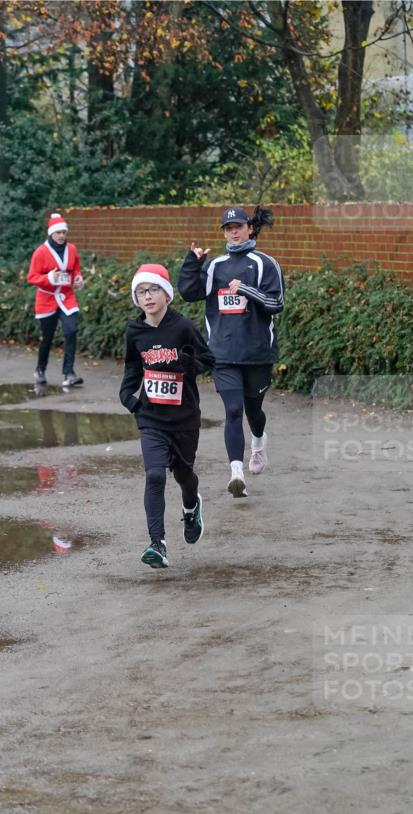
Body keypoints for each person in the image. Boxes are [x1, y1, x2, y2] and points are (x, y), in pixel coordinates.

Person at [178, 205, 284, 498]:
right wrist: (192, 262)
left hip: (257, 353)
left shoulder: (265, 263)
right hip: (222, 354)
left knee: (253, 411)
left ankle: (259, 441)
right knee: (233, 410)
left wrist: (247, 290)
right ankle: (236, 473)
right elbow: (189, 293)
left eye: (238, 226)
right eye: (228, 228)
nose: (233, 232)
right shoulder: (215, 266)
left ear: (250, 228)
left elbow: (277, 304)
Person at [119, 263, 214, 569]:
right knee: (155, 475)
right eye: (141, 291)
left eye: (153, 289)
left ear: (167, 294)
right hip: (152, 419)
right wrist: (130, 400)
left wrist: (189, 366)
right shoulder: (135, 331)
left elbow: (208, 359)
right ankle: (156, 544)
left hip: (184, 418)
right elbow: (132, 370)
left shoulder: (183, 327)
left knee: (184, 477)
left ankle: (191, 507)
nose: (147, 296)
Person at [27, 212, 85, 388]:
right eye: (58, 232)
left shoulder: (72, 249)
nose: (61, 236)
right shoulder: (40, 252)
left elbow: (75, 269)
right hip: (47, 299)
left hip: (67, 297)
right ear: (51, 233)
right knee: (48, 337)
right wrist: (49, 278)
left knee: (71, 331)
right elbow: (32, 277)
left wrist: (78, 278)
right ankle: (40, 370)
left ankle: (69, 373)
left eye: (64, 232)